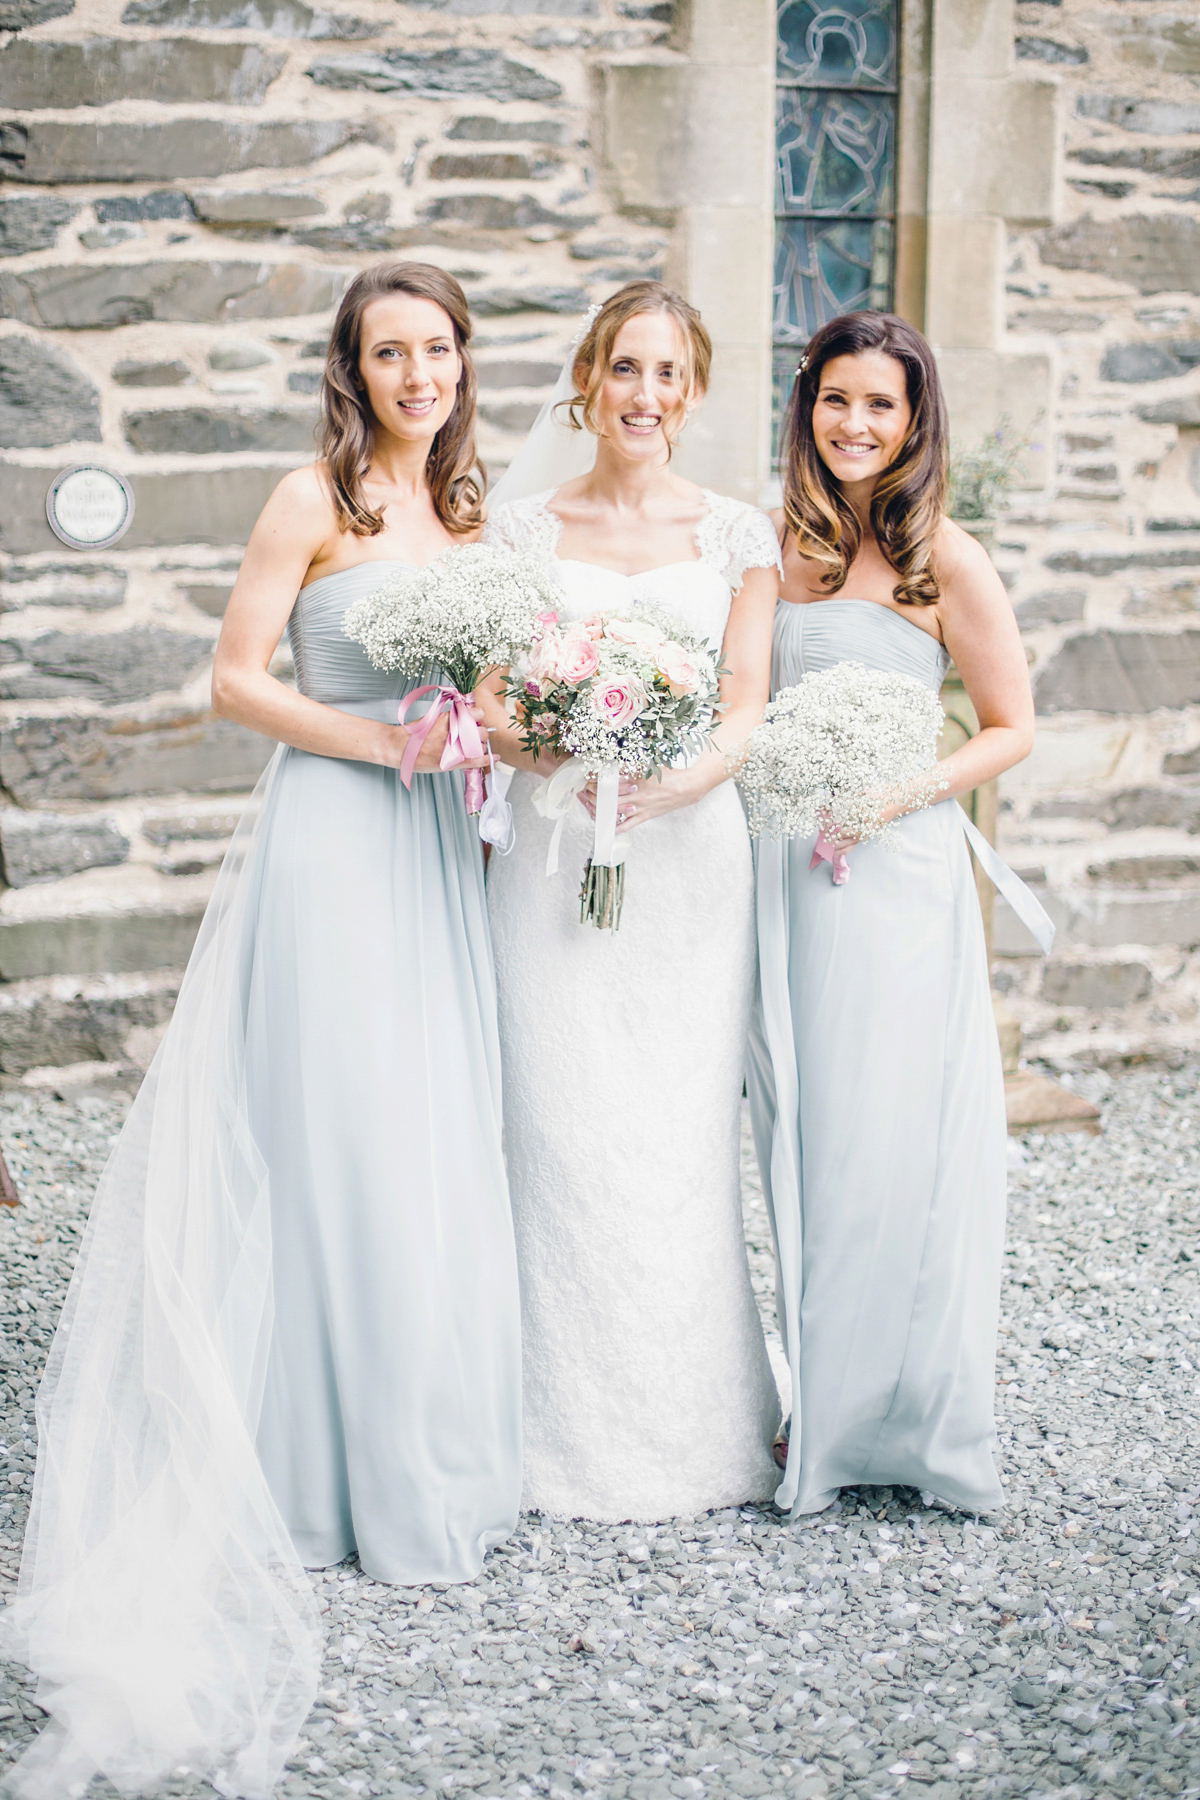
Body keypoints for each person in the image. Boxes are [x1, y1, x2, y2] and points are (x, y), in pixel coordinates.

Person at [0, 261, 522, 1800]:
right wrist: (378, 736)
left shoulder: (475, 516)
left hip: (439, 843)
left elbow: (481, 679)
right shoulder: (316, 500)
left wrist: (500, 722)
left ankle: (410, 1442)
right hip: (337, 836)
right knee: (333, 1128)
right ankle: (300, 1471)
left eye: (436, 348)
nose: (416, 372)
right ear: (351, 369)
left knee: (425, 1127)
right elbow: (234, 681)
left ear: (460, 363)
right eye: (388, 351)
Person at [479, 281, 783, 1523]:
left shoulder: (737, 536)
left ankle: (694, 1426)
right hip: (552, 854)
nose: (645, 397)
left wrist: (680, 780)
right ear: (587, 383)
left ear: (695, 391)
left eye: (669, 376)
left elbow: (745, 698)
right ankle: (542, 1427)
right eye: (625, 372)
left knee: (672, 1136)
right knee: (553, 1125)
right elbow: (492, 704)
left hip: (688, 857)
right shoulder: (514, 530)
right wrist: (561, 750)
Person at [746, 309, 1047, 1520]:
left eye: (880, 404)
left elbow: (1013, 727)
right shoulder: (773, 550)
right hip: (784, 873)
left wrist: (895, 794)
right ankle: (818, 1404)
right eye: (835, 400)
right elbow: (739, 705)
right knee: (802, 1134)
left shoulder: (946, 560)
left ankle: (899, 1413)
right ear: (805, 410)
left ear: (915, 420)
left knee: (886, 1140)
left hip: (899, 879)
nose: (855, 424)